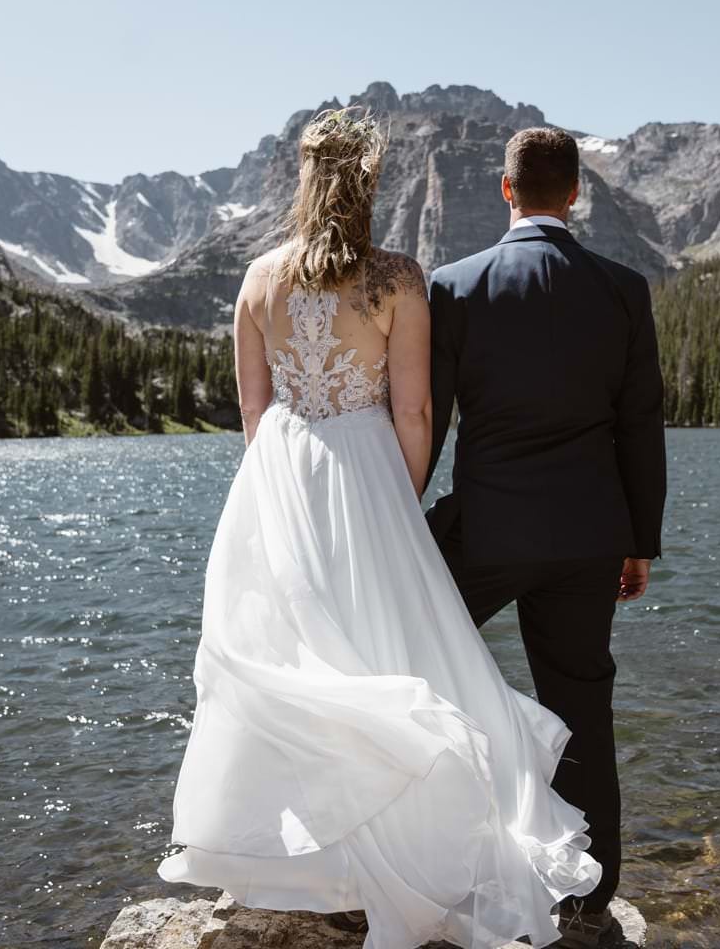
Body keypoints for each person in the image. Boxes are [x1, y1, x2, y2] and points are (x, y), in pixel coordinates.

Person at [158, 108, 604, 949]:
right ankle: (390, 854)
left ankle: (300, 856)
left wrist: (282, 490)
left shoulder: (258, 279)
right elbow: (416, 409)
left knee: (290, 656)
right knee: (378, 647)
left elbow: (254, 412)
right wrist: (393, 503)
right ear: (367, 190)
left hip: (279, 476)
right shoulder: (396, 279)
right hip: (367, 469)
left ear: (303, 185)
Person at [426, 127, 667, 948]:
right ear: (575, 196)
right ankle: (590, 896)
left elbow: (428, 422)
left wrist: (397, 523)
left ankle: (428, 858)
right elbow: (640, 426)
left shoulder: (455, 287)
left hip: (486, 530)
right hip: (589, 535)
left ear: (505, 191)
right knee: (582, 703)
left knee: (412, 665)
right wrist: (638, 541)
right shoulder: (623, 289)